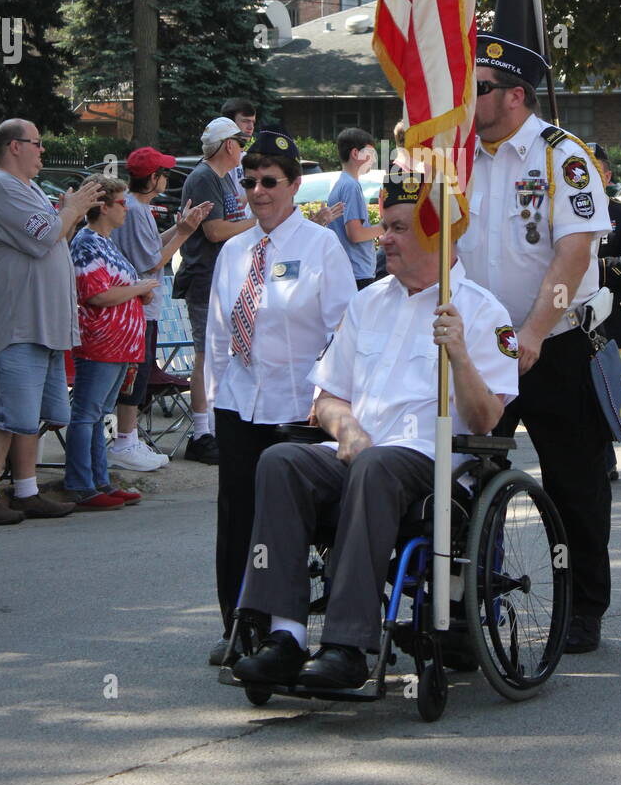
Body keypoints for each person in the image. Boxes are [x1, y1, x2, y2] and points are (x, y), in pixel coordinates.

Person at [231, 172, 519, 692]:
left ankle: (346, 646)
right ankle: (285, 635)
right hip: (359, 455)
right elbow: (327, 398)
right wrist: (348, 431)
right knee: (280, 460)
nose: (382, 237)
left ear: (439, 236)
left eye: (399, 228)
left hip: (429, 465)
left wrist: (458, 355)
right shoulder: (368, 303)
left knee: (378, 465)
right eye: (384, 225)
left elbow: (486, 421)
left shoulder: (482, 311)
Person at [458, 35, 613, 654]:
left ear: (516, 97)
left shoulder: (560, 155)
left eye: (480, 88)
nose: (467, 98)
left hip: (555, 345)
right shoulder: (454, 155)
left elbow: (575, 252)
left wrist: (533, 333)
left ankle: (582, 609)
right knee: (466, 477)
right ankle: (468, 606)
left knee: (574, 482)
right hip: (478, 350)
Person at [203, 130, 357, 663]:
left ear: (294, 185)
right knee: (238, 520)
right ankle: (238, 627)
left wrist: (331, 398)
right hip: (240, 404)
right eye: (249, 181)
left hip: (299, 409)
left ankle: (296, 630)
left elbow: (343, 329)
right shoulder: (234, 250)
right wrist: (214, 404)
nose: (259, 191)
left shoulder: (321, 246)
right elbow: (219, 334)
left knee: (296, 523)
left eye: (270, 181)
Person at [0, 119, 104, 525]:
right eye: (37, 143)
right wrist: (71, 210)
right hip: (15, 324)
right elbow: (43, 236)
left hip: (42, 323)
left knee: (30, 414)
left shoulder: (28, 187)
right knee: (4, 415)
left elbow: (54, 235)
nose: (42, 151)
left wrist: (66, 214)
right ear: (14, 147)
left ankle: (27, 490)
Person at [107, 146, 212, 471]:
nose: (166, 178)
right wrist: (183, 233)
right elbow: (151, 262)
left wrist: (181, 228)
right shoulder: (137, 211)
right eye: (163, 173)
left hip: (138, 308)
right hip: (139, 309)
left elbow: (150, 247)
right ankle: (125, 441)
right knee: (133, 380)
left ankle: (128, 438)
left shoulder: (137, 210)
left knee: (135, 378)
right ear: (153, 179)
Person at [64, 177, 159, 510]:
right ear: (103, 207)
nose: (126, 210)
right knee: (87, 414)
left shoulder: (106, 242)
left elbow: (120, 287)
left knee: (98, 415)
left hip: (118, 346)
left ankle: (98, 480)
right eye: (121, 204)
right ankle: (80, 484)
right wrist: (138, 288)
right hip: (99, 344)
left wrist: (139, 289)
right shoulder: (87, 242)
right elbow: (97, 294)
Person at [173, 118, 256, 462]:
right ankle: (202, 433)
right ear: (228, 146)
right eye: (241, 142)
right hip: (205, 277)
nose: (243, 149)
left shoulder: (219, 178)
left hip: (221, 277)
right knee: (206, 355)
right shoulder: (205, 177)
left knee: (221, 353)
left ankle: (217, 426)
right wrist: (260, 221)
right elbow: (215, 231)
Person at [592, 144, 621, 483]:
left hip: (608, 313)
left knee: (601, 384)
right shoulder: (564, 212)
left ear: (607, 176)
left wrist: (588, 268)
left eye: (593, 170)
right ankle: (599, 457)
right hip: (568, 310)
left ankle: (604, 459)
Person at [327, 127, 380, 289]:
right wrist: (386, 227)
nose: (373, 160)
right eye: (370, 154)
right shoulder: (351, 186)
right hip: (357, 273)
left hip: (348, 270)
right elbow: (355, 234)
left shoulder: (341, 184)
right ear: (356, 154)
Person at [220, 98, 257, 203]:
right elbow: (222, 203)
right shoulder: (218, 161)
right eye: (245, 121)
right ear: (229, 123)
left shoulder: (249, 158)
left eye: (253, 122)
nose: (251, 127)